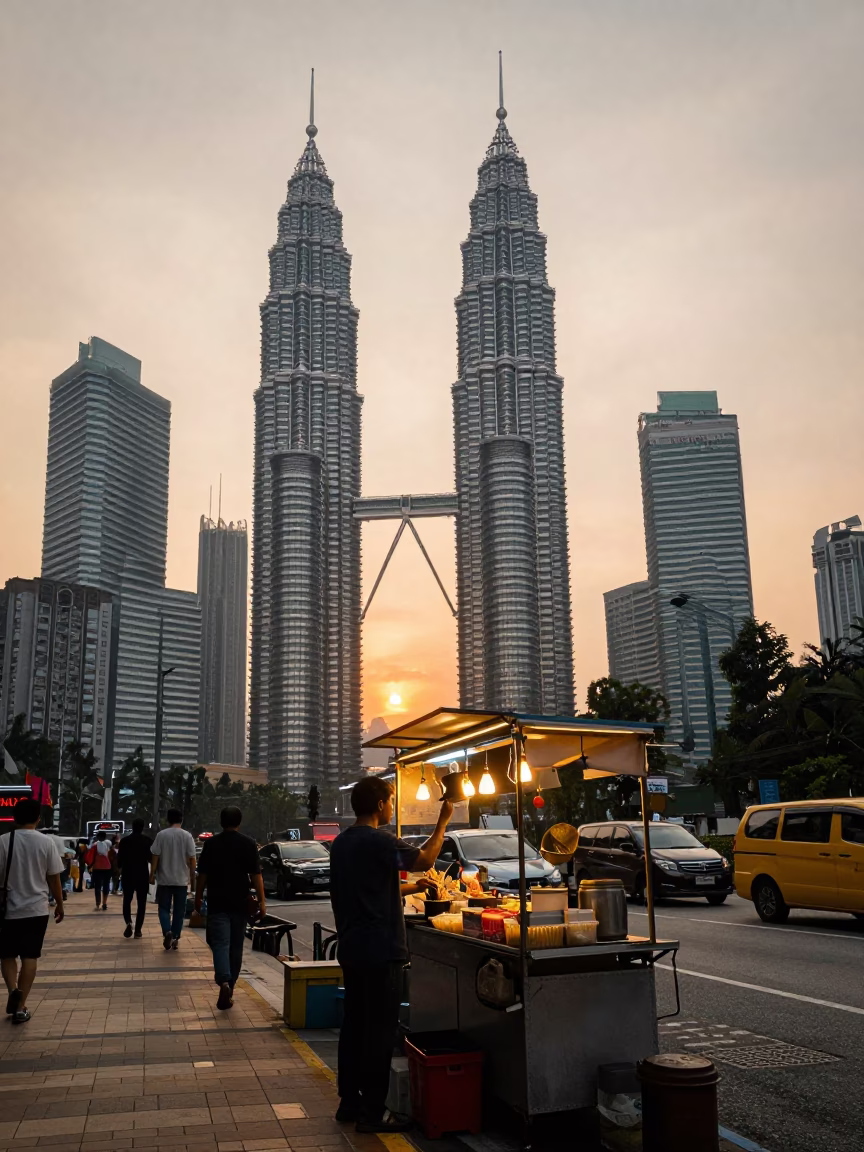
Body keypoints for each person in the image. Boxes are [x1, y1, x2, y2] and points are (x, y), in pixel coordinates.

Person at [329, 777, 454, 1133]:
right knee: (380, 1033)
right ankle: (372, 1113)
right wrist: (443, 820)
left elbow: (371, 883)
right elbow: (426, 858)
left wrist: (415, 887)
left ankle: (349, 1104)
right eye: (392, 800)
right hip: (382, 950)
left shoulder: (342, 843)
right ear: (381, 804)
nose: (393, 806)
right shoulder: (378, 841)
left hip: (352, 949)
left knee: (354, 1027)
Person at [0, 798, 64, 1025]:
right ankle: (20, 1006)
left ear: (15, 818)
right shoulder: (46, 843)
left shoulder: (3, 842)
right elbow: (54, 877)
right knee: (30, 956)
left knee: (7, 955)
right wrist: (60, 904)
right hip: (37, 909)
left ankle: (12, 991)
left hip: (7, 910)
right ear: (38, 818)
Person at [195, 806, 265, 1010]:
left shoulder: (211, 844)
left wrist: (198, 897)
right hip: (240, 903)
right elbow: (256, 876)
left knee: (220, 944)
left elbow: (203, 875)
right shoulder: (249, 843)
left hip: (217, 902)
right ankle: (230, 987)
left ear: (221, 822)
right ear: (239, 822)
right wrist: (262, 902)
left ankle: (224, 981)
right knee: (235, 947)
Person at [149, 808, 196, 951]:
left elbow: (155, 856)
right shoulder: (187, 836)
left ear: (168, 820)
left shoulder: (161, 835)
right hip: (181, 881)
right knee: (179, 911)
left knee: (163, 908)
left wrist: (152, 875)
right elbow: (192, 860)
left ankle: (167, 931)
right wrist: (193, 880)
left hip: (164, 880)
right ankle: (175, 937)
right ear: (181, 820)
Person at [117, 819, 152, 938]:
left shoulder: (124, 841)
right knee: (141, 903)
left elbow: (119, 861)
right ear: (143, 827)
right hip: (142, 874)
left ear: (132, 827)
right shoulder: (147, 841)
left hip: (128, 874)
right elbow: (151, 858)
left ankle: (128, 922)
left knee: (127, 900)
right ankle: (138, 930)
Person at [86, 831, 115, 910]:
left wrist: (89, 866)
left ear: (98, 837)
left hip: (97, 868)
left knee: (97, 887)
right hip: (107, 868)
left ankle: (97, 904)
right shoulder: (109, 845)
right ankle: (104, 903)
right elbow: (113, 856)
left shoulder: (94, 845)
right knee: (106, 885)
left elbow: (90, 857)